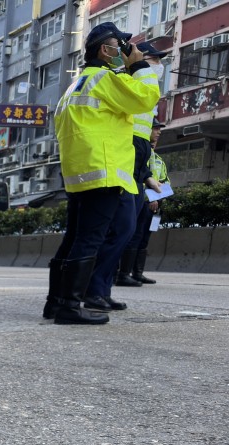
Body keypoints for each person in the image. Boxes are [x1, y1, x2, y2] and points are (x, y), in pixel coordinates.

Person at [49, 21, 160, 325]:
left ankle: (56, 303)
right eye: (120, 47)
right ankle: (70, 308)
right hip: (104, 170)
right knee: (90, 239)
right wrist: (139, 67)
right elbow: (146, 98)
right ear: (105, 49)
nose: (124, 52)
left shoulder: (77, 83)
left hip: (79, 172)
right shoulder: (104, 79)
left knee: (74, 238)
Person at [116, 42, 169, 288]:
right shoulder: (128, 84)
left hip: (151, 198)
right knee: (126, 233)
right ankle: (118, 276)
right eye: (155, 60)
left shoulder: (156, 157)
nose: (159, 66)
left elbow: (165, 181)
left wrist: (158, 195)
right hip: (130, 181)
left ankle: (132, 273)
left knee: (141, 237)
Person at [123, 121, 167, 285]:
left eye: (159, 130)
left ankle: (138, 272)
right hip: (144, 200)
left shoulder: (159, 160)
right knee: (133, 236)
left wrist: (161, 197)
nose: (158, 133)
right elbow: (139, 178)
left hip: (156, 206)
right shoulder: (141, 155)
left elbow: (163, 180)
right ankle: (123, 273)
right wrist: (151, 197)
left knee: (144, 238)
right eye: (155, 129)